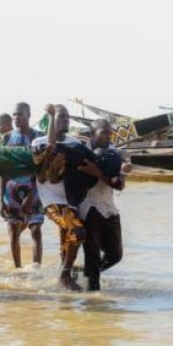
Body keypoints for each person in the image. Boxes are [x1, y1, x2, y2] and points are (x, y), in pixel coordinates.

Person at [32, 104, 87, 291]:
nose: (65, 119)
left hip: (70, 200)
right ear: (51, 120)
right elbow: (42, 175)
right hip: (51, 201)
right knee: (77, 231)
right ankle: (65, 276)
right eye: (60, 116)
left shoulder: (75, 143)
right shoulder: (38, 142)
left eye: (67, 116)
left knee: (68, 242)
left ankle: (63, 295)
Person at [80, 119, 127, 292]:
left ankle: (82, 273)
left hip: (108, 207)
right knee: (92, 255)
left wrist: (99, 172)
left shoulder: (116, 153)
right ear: (92, 135)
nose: (109, 136)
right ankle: (93, 301)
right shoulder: (82, 154)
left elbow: (119, 185)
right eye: (104, 133)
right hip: (88, 208)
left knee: (115, 255)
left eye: (110, 132)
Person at [0, 102, 45, 268]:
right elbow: (2, 171)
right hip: (11, 194)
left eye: (20, 114)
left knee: (36, 230)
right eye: (14, 114)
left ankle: (36, 269)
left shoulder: (38, 137)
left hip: (34, 190)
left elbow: (42, 169)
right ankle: (17, 270)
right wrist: (0, 201)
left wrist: (31, 194)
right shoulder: (6, 138)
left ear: (29, 115)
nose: (16, 117)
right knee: (13, 234)